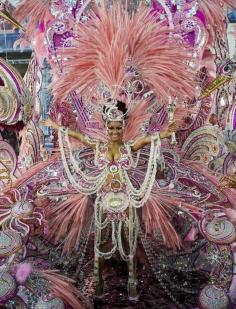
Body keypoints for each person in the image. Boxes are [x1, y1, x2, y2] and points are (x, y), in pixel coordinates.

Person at [42, 100, 175, 300]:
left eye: (118, 127)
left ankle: (132, 281)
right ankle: (98, 279)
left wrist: (166, 132)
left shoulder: (129, 147)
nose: (114, 131)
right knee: (101, 240)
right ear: (106, 128)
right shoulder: (98, 146)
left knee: (128, 239)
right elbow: (78, 136)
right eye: (111, 127)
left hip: (126, 197)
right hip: (104, 199)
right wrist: (55, 127)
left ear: (123, 128)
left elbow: (148, 139)